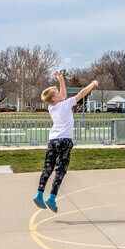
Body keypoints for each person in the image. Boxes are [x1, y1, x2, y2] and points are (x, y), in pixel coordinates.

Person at [33, 72, 98, 212]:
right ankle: (51, 198)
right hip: (64, 141)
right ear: (56, 98)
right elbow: (81, 93)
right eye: (58, 93)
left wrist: (61, 79)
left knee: (48, 167)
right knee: (60, 169)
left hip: (53, 140)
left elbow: (62, 94)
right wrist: (93, 84)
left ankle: (39, 194)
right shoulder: (66, 103)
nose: (62, 93)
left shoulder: (52, 107)